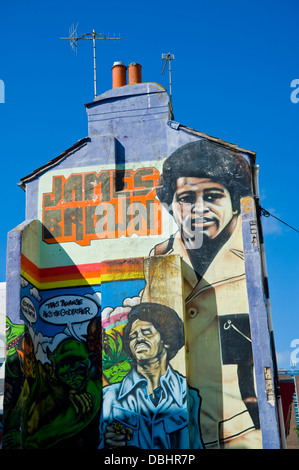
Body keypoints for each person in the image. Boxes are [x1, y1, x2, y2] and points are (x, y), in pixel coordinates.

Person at [144, 139, 262, 448]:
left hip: (240, 436)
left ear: (235, 202)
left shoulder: (249, 256)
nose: (199, 209)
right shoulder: (158, 256)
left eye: (212, 196)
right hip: (173, 437)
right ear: (172, 206)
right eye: (186, 198)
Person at [99, 302, 204, 449]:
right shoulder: (110, 396)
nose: (139, 339)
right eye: (133, 336)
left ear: (167, 341)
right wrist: (108, 444)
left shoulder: (187, 395)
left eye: (147, 332)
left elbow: (196, 446)